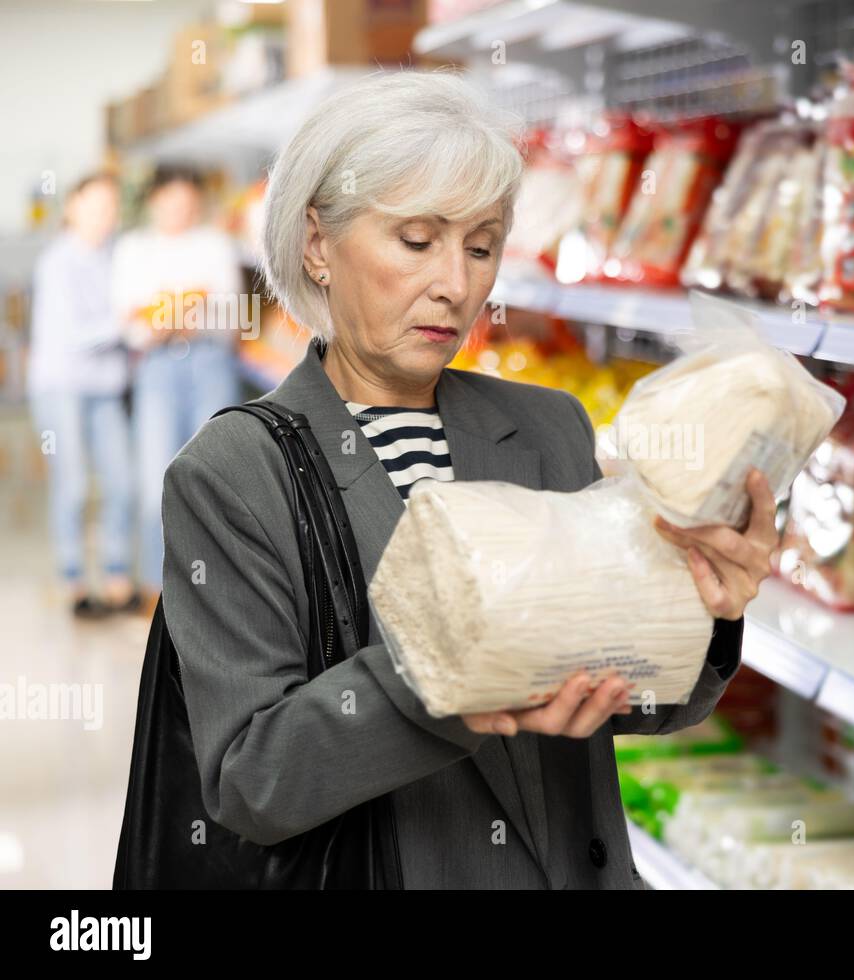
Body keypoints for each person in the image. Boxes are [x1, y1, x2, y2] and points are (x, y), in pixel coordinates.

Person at [158, 70, 777, 888]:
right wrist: (445, 676)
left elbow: (635, 698)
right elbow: (251, 780)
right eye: (416, 241)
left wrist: (704, 610)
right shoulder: (236, 474)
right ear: (318, 243)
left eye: (480, 246)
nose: (457, 284)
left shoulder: (551, 427)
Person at [111, 165, 242, 606]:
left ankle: (211, 592)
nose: (179, 211)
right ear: (152, 202)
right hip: (156, 368)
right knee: (156, 479)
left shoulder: (215, 243)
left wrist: (164, 313)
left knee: (213, 477)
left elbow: (230, 317)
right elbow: (130, 324)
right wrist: (181, 310)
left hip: (210, 363)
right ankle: (157, 587)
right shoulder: (133, 248)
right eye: (170, 202)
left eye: (187, 203)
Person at [28, 173, 138, 618]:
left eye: (110, 208)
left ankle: (116, 578)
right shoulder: (57, 262)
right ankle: (74, 583)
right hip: (62, 389)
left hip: (105, 390)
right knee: (72, 486)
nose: (103, 217)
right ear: (72, 207)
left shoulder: (117, 256)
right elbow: (74, 335)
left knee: (121, 482)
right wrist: (128, 322)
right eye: (94, 206)